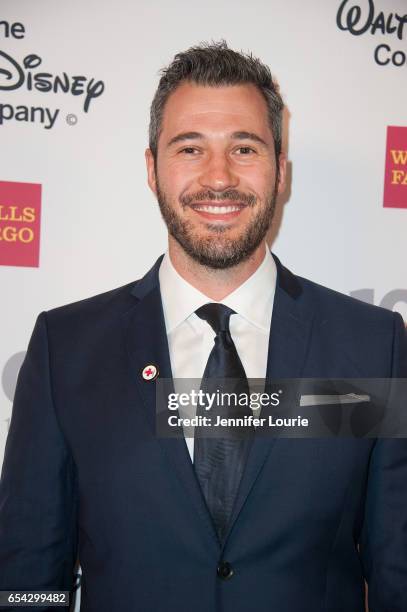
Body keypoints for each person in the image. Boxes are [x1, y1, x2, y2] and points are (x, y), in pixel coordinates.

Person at [0, 40, 406, 612]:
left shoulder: (371, 346)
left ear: (280, 169)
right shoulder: (65, 349)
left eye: (245, 147)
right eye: (190, 148)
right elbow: (27, 578)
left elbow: (398, 571)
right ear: (151, 168)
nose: (219, 178)